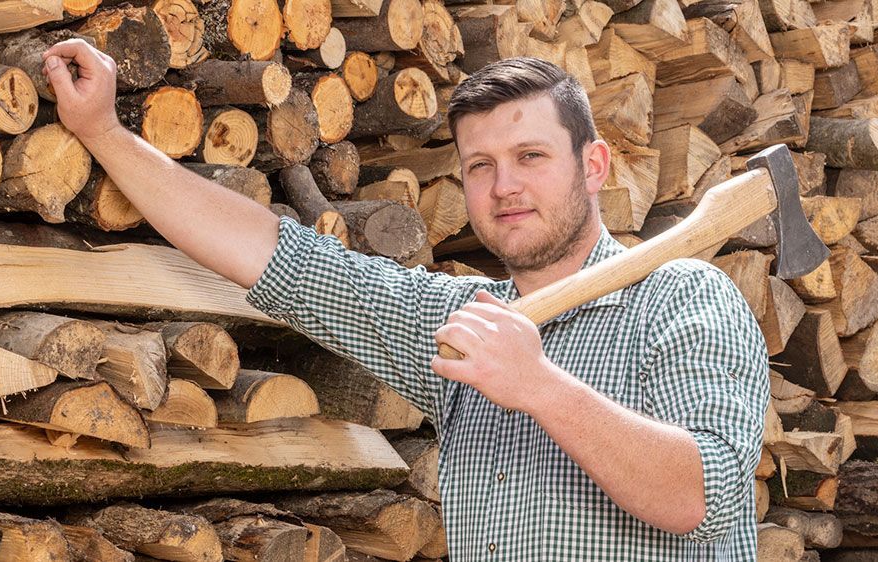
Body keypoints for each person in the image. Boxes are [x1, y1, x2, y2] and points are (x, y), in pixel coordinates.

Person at [41, 41, 769, 560]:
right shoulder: (460, 325)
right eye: (480, 166)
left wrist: (540, 386)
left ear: (594, 166)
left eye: (531, 157)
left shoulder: (684, 298)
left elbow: (700, 500)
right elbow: (280, 258)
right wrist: (103, 131)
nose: (504, 186)